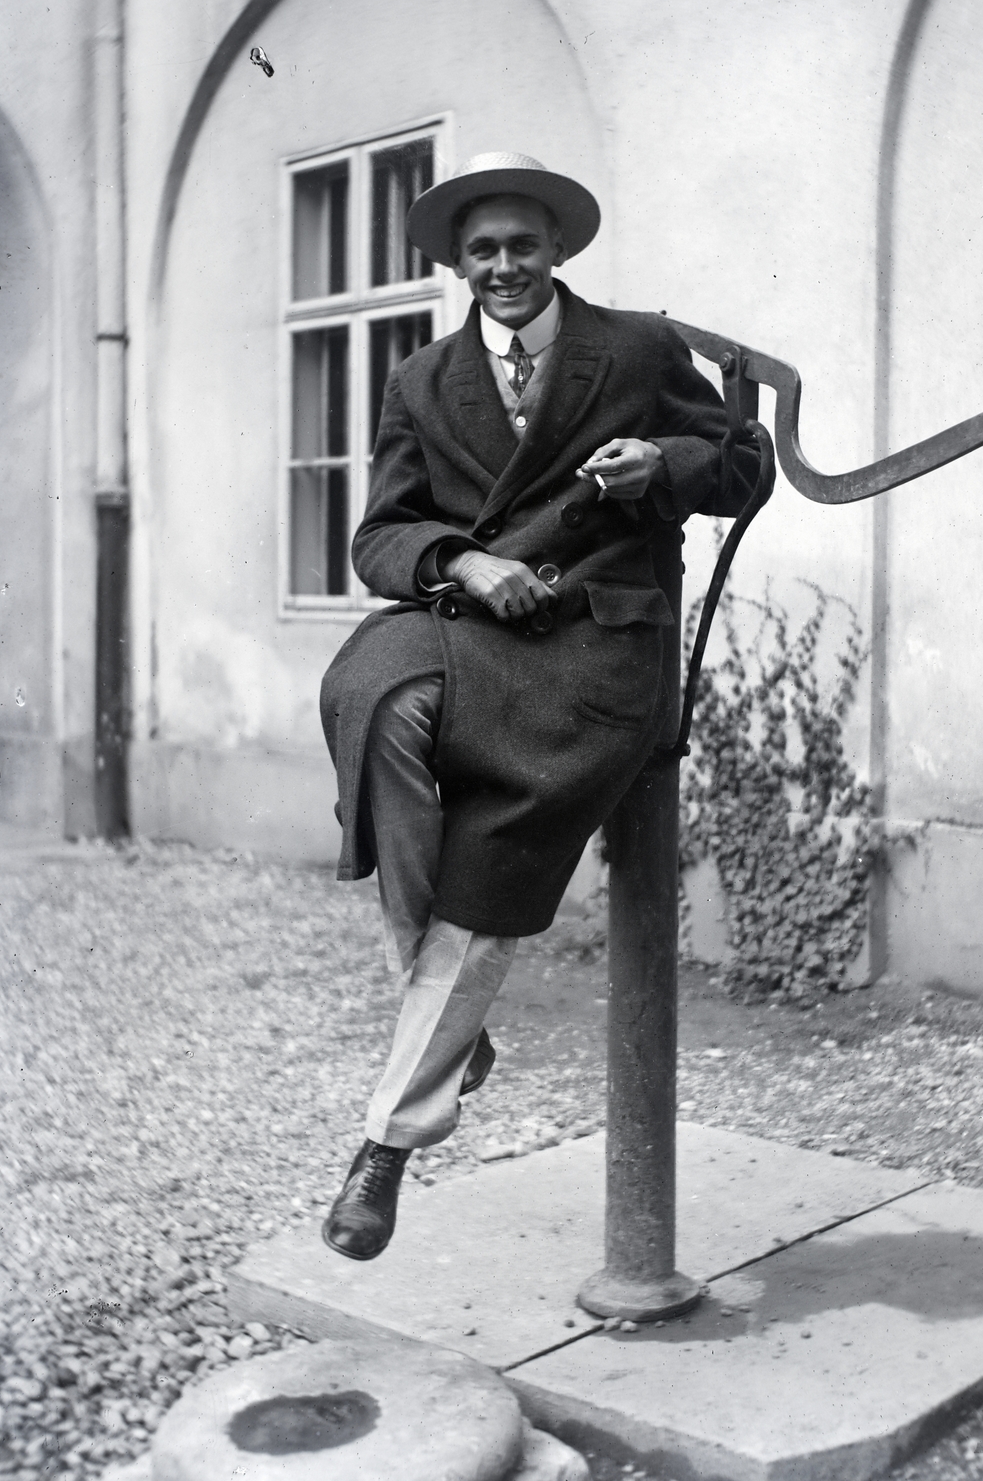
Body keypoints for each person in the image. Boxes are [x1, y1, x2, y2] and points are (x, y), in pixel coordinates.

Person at [318, 152, 772, 1260]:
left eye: (523, 244)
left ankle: (389, 1141)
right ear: (456, 263)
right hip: (473, 618)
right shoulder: (421, 381)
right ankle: (449, 1021)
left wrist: (660, 465)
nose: (505, 265)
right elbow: (379, 537)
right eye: (483, 250)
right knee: (369, 696)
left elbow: (743, 466)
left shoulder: (637, 348)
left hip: (592, 643)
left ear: (558, 248)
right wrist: (464, 564)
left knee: (498, 836)